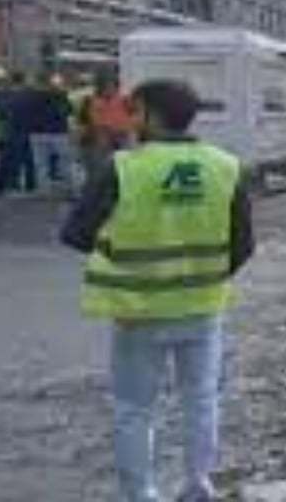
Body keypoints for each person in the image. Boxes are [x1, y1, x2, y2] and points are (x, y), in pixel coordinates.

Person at [60, 79, 254, 502]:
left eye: (135, 111)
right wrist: (201, 276)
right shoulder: (226, 166)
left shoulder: (122, 167)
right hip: (202, 309)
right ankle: (198, 487)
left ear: (149, 114)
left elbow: (75, 235)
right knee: (201, 400)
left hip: (137, 311)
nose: (130, 119)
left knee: (134, 409)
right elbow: (243, 245)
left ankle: (141, 494)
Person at [82, 71, 135, 180]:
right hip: (102, 134)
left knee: (125, 161)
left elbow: (134, 113)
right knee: (101, 163)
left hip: (122, 134)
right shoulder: (92, 100)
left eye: (112, 86)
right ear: (100, 87)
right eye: (106, 86)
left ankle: (123, 180)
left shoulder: (124, 99)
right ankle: (101, 182)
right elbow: (91, 119)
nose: (109, 89)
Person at [29, 73, 75, 195]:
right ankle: (70, 188)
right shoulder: (60, 96)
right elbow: (69, 112)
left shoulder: (32, 96)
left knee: (40, 164)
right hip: (58, 133)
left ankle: (44, 190)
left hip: (37, 133)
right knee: (65, 162)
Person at [0, 70, 37, 194]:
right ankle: (31, 184)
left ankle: (14, 184)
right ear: (23, 80)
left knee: (13, 158)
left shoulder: (8, 95)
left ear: (12, 80)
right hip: (29, 129)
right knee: (29, 159)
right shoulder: (30, 95)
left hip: (13, 130)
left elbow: (2, 112)